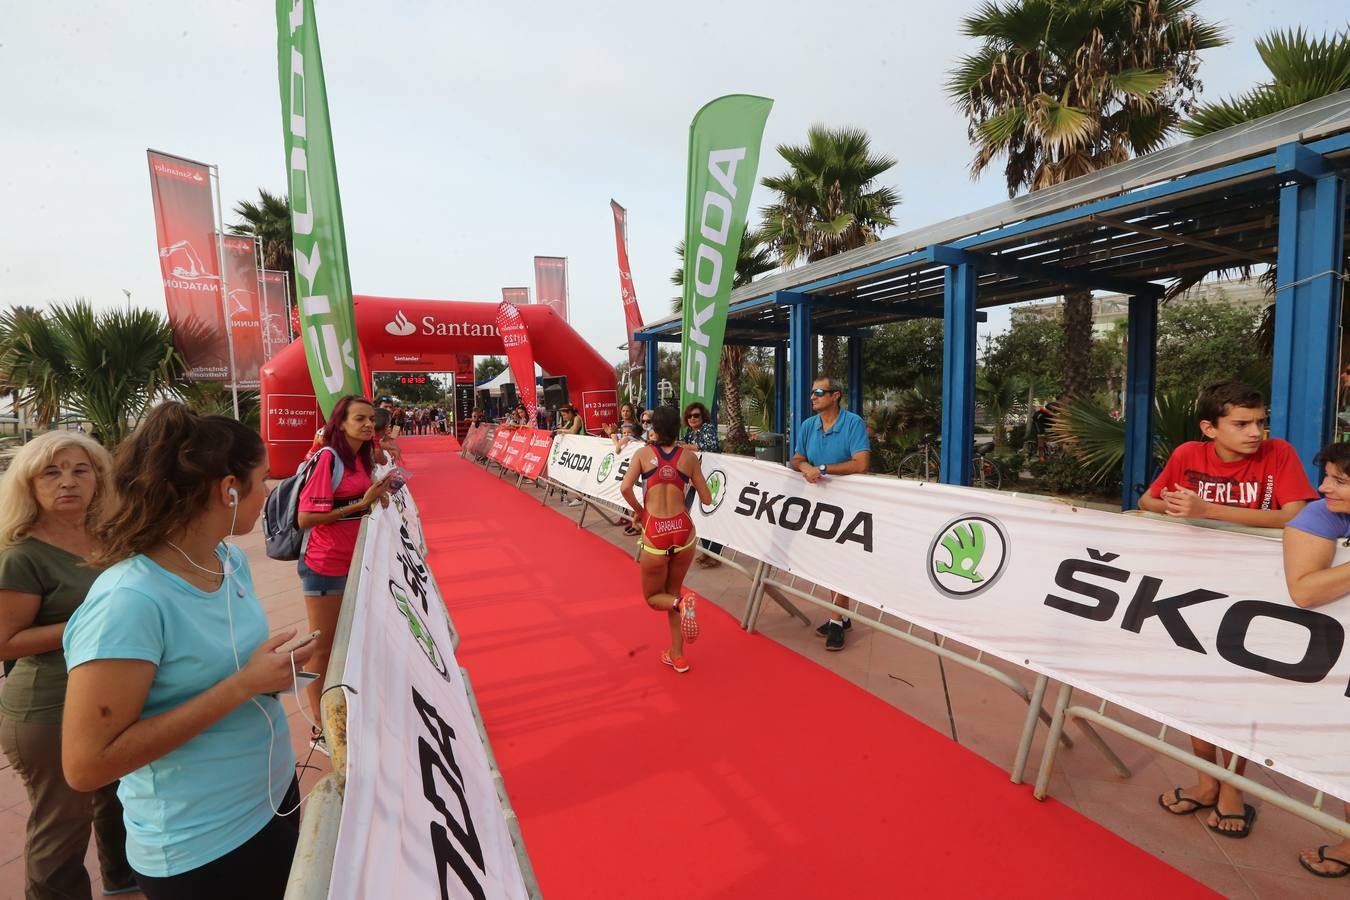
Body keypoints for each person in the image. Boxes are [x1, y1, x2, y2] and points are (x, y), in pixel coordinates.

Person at [61, 402, 316, 899]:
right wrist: (245, 684)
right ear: (229, 489)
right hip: (201, 843)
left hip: (268, 793)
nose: (269, 493)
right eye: (264, 479)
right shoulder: (130, 600)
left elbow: (214, 667)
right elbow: (86, 764)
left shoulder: (228, 560)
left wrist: (268, 670)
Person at [1148, 380, 1318, 836]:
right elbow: (1150, 499)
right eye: (1241, 423)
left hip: (1258, 595)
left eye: (1260, 421)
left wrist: (1209, 511)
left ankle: (1232, 790)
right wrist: (1179, 507)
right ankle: (1207, 783)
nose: (1255, 432)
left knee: (1240, 694)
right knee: (1195, 690)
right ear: (1210, 428)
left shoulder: (1279, 454)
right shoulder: (1187, 454)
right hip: (1192, 589)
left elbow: (1295, 514)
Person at [0, 432, 137, 899]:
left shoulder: (109, 537)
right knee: (62, 826)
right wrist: (90, 623)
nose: (68, 482)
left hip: (108, 700)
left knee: (116, 801)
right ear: (29, 484)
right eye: (52, 472)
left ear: (99, 479)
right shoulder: (22, 556)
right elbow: (4, 642)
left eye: (81, 470)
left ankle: (123, 882)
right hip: (48, 709)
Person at [296, 396, 392, 752]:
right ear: (341, 422)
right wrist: (361, 504)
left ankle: (344, 712)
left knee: (348, 644)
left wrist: (375, 500)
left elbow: (354, 505)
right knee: (322, 648)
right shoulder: (329, 458)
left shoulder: (359, 458)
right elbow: (305, 518)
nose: (368, 424)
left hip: (353, 562)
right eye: (359, 419)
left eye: (370, 419)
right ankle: (319, 728)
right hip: (325, 565)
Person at [1282, 441, 1350, 877]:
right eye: (1326, 475)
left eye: (1339, 480)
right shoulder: (1321, 512)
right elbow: (1304, 591)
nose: (1323, 486)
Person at [620, 406, 712, 674]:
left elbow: (625, 488)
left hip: (655, 531)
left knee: (654, 598)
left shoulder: (642, 454)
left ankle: (681, 605)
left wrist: (640, 511)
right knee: (673, 590)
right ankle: (678, 655)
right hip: (684, 532)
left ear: (655, 429)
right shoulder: (689, 458)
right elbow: (707, 499)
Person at [790, 376, 872, 651]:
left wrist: (822, 469)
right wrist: (805, 469)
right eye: (812, 392)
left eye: (819, 392)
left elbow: (861, 464)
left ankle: (837, 621)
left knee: (841, 561)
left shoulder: (853, 423)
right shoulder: (807, 426)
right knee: (827, 562)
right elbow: (798, 458)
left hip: (849, 506)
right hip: (818, 506)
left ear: (836, 395)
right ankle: (841, 616)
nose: (812, 397)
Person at [680, 402, 724, 569]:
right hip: (694, 478)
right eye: (689, 416)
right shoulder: (689, 433)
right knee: (696, 514)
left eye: (696, 415)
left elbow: (711, 447)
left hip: (710, 477)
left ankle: (716, 553)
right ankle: (708, 551)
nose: (692, 418)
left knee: (710, 514)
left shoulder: (708, 429)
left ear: (702, 416)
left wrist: (688, 447)